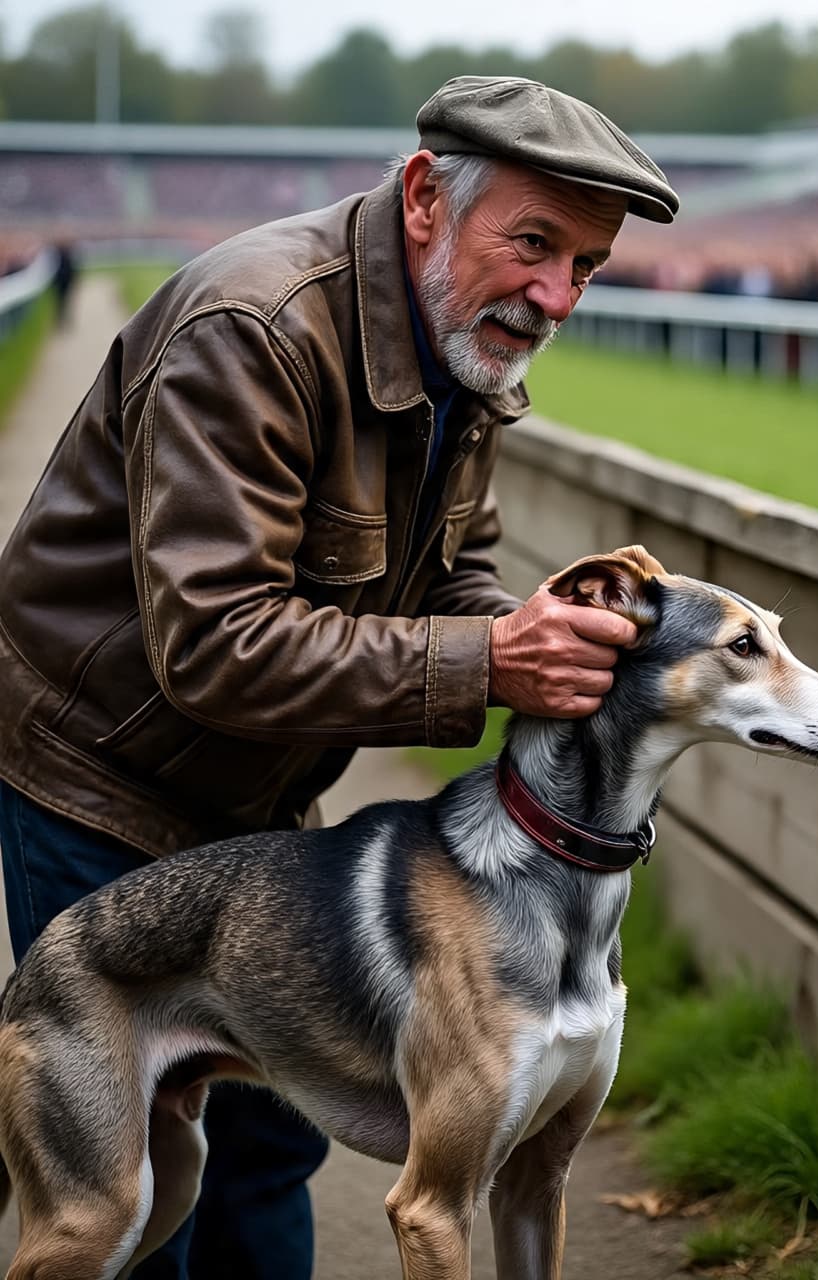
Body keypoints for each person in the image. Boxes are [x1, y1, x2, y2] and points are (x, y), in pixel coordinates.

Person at [0, 75, 678, 1279]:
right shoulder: (251, 327)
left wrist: (524, 631)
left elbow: (455, 566)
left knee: (266, 1152)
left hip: (259, 795)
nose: (555, 295)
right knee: (123, 1206)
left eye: (588, 265)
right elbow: (215, 641)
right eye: (534, 243)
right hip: (100, 780)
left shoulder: (462, 339)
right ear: (425, 196)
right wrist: (488, 661)